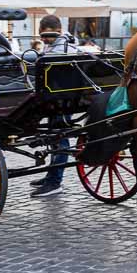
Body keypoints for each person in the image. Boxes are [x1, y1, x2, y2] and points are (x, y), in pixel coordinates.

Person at [31, 15, 80, 197]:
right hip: (56, 97)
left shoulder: (63, 46)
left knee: (60, 137)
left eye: (46, 36)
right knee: (55, 137)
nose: (43, 39)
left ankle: (55, 181)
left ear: (57, 31)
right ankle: (51, 175)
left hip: (62, 99)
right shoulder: (57, 43)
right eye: (41, 36)